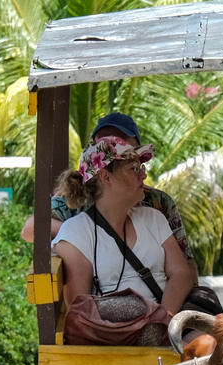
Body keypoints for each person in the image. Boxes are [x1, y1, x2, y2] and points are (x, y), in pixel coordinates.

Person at [52, 134, 197, 346]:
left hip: (168, 326)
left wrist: (165, 322)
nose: (143, 176)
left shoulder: (153, 218)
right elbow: (81, 313)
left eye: (141, 168)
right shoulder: (75, 234)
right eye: (134, 169)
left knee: (218, 348)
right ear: (106, 178)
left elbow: (181, 274)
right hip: (116, 337)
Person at [21, 112, 193, 261]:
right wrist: (83, 234)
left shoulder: (158, 202)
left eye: (120, 141)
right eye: (104, 142)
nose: (113, 145)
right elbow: (30, 229)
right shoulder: (78, 197)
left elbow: (184, 263)